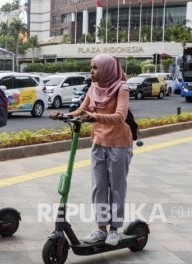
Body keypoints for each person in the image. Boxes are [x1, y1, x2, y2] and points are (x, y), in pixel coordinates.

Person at [51, 54, 133, 246]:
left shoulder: (122, 88)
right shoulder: (94, 87)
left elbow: (120, 116)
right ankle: (101, 229)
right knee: (98, 187)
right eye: (91, 67)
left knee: (117, 188)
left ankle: (114, 229)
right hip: (98, 142)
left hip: (119, 144)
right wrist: (62, 115)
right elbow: (81, 110)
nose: (91, 71)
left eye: (95, 68)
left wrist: (93, 117)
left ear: (107, 69)